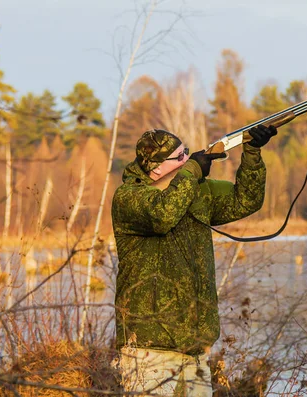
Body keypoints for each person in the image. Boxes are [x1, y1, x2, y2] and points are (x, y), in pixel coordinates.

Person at [111, 125, 277, 396]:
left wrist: (253, 152)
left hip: (195, 348)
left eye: (186, 153)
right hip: (149, 349)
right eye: (178, 158)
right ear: (155, 169)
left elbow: (246, 200)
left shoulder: (194, 192)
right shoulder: (129, 198)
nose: (186, 161)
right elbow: (163, 215)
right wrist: (192, 171)